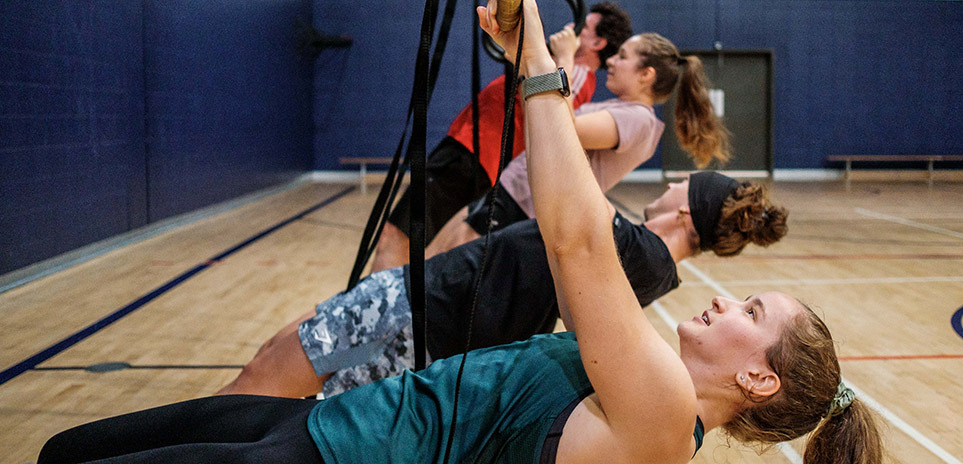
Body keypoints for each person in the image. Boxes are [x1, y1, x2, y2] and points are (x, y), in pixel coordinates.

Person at [39, 0, 883, 464]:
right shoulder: (653, 371)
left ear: (759, 382)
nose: (727, 300)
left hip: (337, 463)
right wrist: (534, 66)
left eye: (752, 313)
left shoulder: (664, 414)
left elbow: (575, 238)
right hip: (333, 426)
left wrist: (541, 64)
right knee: (66, 449)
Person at [216, 172, 788, 398]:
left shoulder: (634, 250)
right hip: (426, 312)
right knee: (279, 362)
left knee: (265, 379)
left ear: (687, 210)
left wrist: (550, 64)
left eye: (684, 182)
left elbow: (557, 163)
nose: (673, 180)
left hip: (419, 315)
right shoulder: (643, 256)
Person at [392, 24, 732, 269]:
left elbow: (561, 124)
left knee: (450, 266)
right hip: (516, 192)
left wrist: (565, 58)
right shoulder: (625, 111)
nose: (612, 61)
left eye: (624, 57)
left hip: (526, 205)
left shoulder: (639, 121)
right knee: (444, 255)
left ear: (646, 75)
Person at [370, 2, 633, 272]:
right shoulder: (561, 68)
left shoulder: (575, 75)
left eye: (581, 27)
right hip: (473, 153)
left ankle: (363, 312)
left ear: (598, 42)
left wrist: (562, 54)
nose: (569, 29)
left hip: (474, 154)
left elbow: (553, 112)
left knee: (397, 236)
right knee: (423, 246)